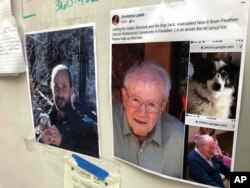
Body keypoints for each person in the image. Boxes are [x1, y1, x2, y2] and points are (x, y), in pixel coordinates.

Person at [112, 61, 185, 178]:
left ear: (162, 106)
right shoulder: (104, 122)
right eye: (135, 100)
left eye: (151, 104)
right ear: (124, 98)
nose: (142, 113)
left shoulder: (181, 139)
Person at [38, 64, 99, 158]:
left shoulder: (86, 128)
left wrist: (63, 143)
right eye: (56, 87)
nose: (60, 93)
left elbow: (93, 165)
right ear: (51, 88)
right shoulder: (45, 123)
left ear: (71, 90)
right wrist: (40, 142)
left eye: (64, 87)